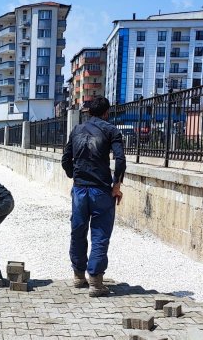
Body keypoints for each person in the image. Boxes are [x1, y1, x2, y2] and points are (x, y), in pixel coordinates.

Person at [61, 97, 126, 297]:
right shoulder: (111, 131)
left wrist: (75, 175)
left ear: (88, 112)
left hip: (80, 190)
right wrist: (116, 185)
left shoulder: (77, 130)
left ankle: (78, 276)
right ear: (106, 112)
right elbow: (120, 160)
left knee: (78, 231)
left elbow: (65, 159)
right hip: (100, 190)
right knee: (100, 234)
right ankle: (96, 283)